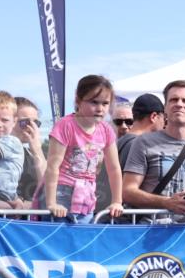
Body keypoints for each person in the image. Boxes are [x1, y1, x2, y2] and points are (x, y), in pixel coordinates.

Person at [122, 79, 185, 223]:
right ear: (166, 107)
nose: (179, 104)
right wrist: (167, 202)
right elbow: (128, 191)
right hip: (148, 233)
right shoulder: (143, 142)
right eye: (174, 100)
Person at [41, 75, 124, 223]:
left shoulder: (106, 130)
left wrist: (117, 201)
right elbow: (53, 167)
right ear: (78, 100)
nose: (100, 108)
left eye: (105, 103)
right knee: (60, 239)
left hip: (87, 194)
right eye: (94, 102)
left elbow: (114, 168)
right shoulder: (66, 125)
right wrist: (52, 202)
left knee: (81, 239)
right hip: (61, 191)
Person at [12, 97, 46, 207]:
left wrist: (37, 150)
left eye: (36, 123)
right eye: (25, 122)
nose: (32, 127)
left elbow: (48, 188)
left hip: (30, 221)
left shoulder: (32, 153)